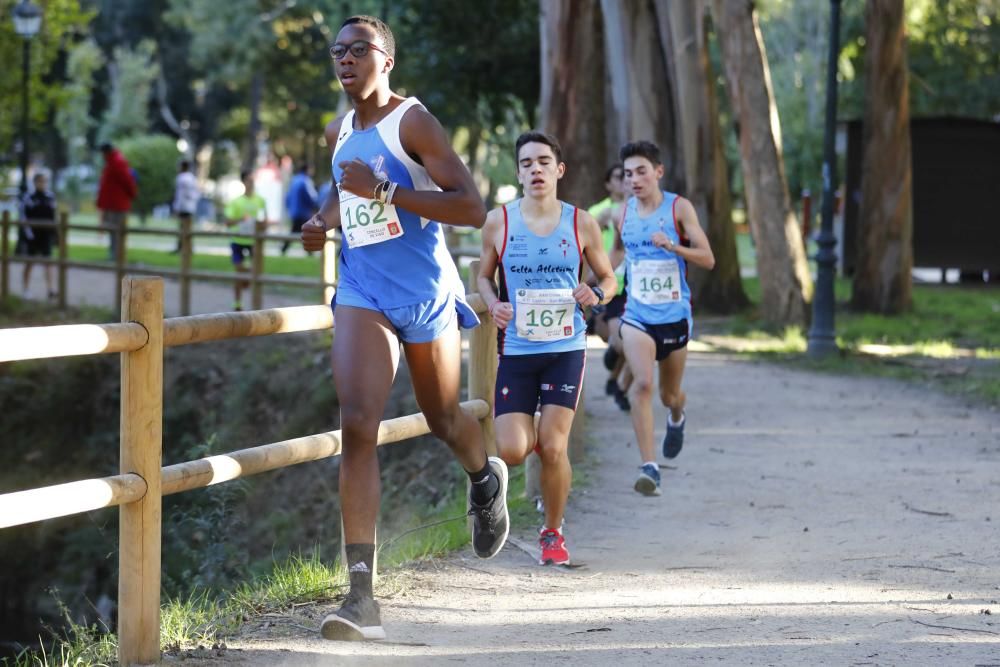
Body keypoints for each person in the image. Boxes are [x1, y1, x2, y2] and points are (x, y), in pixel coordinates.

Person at [300, 15, 508, 642]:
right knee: (357, 423)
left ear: (386, 59)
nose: (345, 60)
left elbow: (470, 208)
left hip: (422, 294)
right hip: (362, 290)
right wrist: (322, 219)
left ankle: (483, 478)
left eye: (358, 50)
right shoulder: (343, 130)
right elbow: (347, 191)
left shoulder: (411, 121)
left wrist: (386, 188)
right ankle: (361, 596)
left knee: (444, 417)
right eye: (337, 52)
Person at [477, 131, 616, 566]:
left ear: (559, 170)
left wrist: (596, 294)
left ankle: (552, 533)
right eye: (526, 163)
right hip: (517, 350)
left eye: (543, 162)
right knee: (514, 450)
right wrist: (494, 301)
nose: (535, 169)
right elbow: (483, 276)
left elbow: (608, 279)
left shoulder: (581, 223)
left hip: (565, 348)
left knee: (554, 447)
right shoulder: (498, 221)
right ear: (517, 174)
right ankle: (531, 440)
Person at [608, 140, 715, 496]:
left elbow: (707, 258)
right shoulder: (622, 214)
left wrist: (674, 247)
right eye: (627, 174)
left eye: (641, 171)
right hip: (637, 314)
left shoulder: (678, 209)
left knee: (670, 394)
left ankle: (677, 415)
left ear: (658, 172)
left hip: (674, 316)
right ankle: (649, 467)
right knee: (642, 385)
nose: (634, 179)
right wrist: (591, 285)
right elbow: (615, 256)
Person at [223, 171, 267, 311]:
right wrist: (241, 220)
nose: (251, 183)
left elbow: (264, 221)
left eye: (253, 180)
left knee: (255, 273)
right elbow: (228, 222)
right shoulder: (236, 202)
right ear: (243, 182)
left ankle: (256, 305)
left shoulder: (260, 200)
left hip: (254, 242)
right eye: (248, 180)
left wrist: (260, 224)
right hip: (238, 241)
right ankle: (237, 304)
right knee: (239, 273)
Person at [16, 173, 57, 298]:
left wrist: (54, 233)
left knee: (48, 262)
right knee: (29, 263)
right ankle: (26, 290)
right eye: (40, 181)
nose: (42, 184)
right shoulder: (28, 198)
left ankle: (50, 289)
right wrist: (28, 234)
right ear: (34, 183)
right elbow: (23, 217)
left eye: (44, 181)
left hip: (45, 235)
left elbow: (53, 216)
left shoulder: (50, 197)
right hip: (32, 236)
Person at [95, 143, 137, 260]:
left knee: (117, 232)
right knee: (113, 231)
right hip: (113, 204)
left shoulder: (117, 162)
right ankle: (115, 255)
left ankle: (117, 256)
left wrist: (132, 194)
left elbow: (128, 182)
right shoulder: (112, 162)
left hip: (118, 205)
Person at [282, 163, 319, 255]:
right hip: (303, 212)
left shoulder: (294, 180)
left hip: (294, 211)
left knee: (295, 231)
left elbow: (287, 196)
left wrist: (289, 208)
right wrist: (315, 205)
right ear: (307, 170)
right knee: (307, 231)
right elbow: (310, 196)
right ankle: (310, 251)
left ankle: (284, 249)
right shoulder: (305, 181)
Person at [171, 160, 200, 254]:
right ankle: (185, 247)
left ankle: (185, 248)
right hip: (191, 207)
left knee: (183, 228)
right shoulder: (192, 178)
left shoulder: (181, 178)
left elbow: (181, 195)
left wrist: (177, 208)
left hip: (184, 207)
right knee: (187, 228)